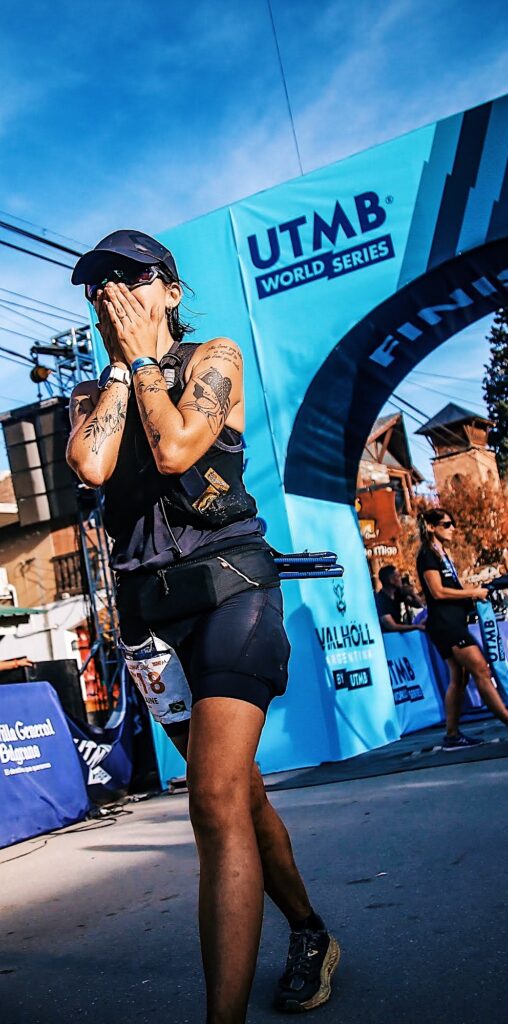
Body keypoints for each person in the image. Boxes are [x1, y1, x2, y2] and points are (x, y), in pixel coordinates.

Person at [65, 230, 339, 1022]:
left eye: (129, 277)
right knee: (238, 795)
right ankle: (310, 931)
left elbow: (180, 447)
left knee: (213, 798)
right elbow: (90, 465)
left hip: (229, 590)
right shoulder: (96, 392)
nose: (111, 293)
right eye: (99, 283)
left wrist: (148, 362)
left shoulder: (213, 358)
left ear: (171, 291)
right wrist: (123, 369)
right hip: (150, 616)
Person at [415, 508, 508, 749]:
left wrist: (473, 593)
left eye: (453, 523)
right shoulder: (427, 555)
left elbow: (452, 589)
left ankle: (452, 735)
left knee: (459, 678)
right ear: (431, 527)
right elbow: (437, 592)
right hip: (446, 624)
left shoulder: (444, 555)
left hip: (452, 622)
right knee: (481, 670)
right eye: (446, 524)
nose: (453, 528)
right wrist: (473, 593)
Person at [374, 564, 424, 632]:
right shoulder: (380, 600)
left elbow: (420, 605)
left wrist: (412, 593)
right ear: (391, 580)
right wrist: (416, 626)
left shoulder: (398, 594)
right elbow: (392, 626)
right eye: (398, 576)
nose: (401, 579)